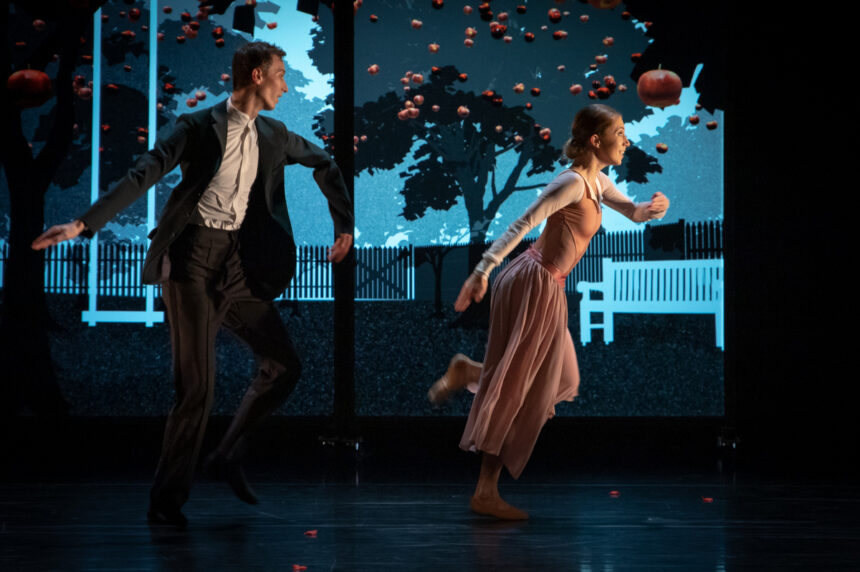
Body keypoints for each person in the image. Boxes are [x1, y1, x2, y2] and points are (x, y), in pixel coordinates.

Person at [32, 42, 353, 527]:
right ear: (258, 75)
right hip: (191, 263)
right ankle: (167, 499)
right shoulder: (197, 126)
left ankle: (227, 454)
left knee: (285, 365)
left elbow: (325, 162)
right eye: (281, 75)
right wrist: (83, 224)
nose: (285, 86)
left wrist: (343, 224)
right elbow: (145, 172)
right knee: (197, 388)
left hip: (237, 265)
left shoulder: (275, 134)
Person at [428, 104, 669, 520]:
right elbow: (522, 224)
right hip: (533, 282)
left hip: (547, 284)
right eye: (620, 133)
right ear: (596, 140)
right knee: (519, 387)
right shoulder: (571, 183)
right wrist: (482, 270)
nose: (626, 141)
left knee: (562, 380)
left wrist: (649, 209)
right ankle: (485, 491)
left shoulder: (596, 181)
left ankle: (471, 373)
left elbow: (631, 210)